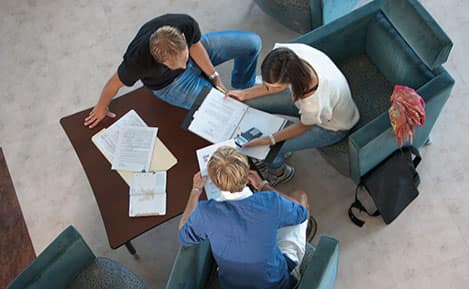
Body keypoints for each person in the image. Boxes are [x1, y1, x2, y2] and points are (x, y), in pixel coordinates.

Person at [84, 13, 261, 128]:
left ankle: (243, 86)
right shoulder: (137, 61)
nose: (184, 67)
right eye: (175, 65)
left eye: (183, 60)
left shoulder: (184, 24)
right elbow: (114, 84)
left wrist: (214, 76)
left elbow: (196, 46)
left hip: (194, 51)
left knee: (252, 43)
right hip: (170, 84)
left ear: (183, 37)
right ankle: (234, 100)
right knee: (225, 109)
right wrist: (101, 107)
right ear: (158, 61)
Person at [226, 43, 360, 185]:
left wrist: (267, 140)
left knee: (269, 150)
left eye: (273, 87)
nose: (267, 89)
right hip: (314, 106)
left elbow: (304, 126)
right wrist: (244, 94)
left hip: (332, 126)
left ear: (292, 81)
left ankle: (280, 173)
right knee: (249, 103)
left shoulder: (312, 102)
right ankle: (283, 148)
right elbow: (271, 86)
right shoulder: (288, 56)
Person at [178, 146, 309, 289]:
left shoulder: (204, 212)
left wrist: (195, 191)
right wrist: (262, 185)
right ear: (247, 174)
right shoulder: (269, 201)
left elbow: (182, 235)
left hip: (232, 284)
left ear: (214, 182)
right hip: (277, 283)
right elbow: (301, 213)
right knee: (300, 197)